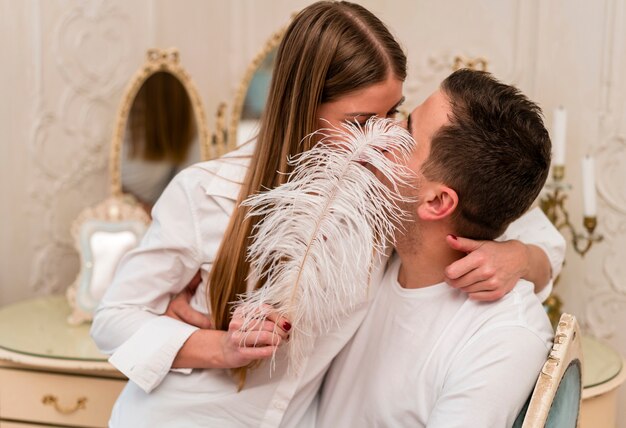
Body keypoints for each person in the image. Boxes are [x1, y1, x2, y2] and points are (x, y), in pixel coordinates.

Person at [91, 2, 564, 427]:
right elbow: (113, 319)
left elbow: (504, 207)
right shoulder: (206, 194)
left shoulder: (380, 195)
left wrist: (521, 258)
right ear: (303, 111)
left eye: (394, 114)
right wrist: (219, 348)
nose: (381, 138)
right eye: (360, 122)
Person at [318, 69, 556, 427]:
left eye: (407, 133)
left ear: (436, 202)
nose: (384, 132)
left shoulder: (503, 338)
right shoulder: (366, 246)